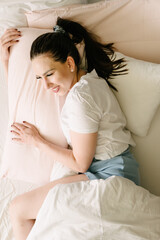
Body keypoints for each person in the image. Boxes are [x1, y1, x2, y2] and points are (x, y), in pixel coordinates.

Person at [0, 17, 140, 240]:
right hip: (115, 170)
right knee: (31, 213)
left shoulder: (81, 99)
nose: (45, 86)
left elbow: (80, 162)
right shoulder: (88, 81)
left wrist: (37, 141)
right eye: (39, 77)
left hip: (109, 177)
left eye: (49, 74)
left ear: (70, 63)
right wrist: (7, 61)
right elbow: (28, 103)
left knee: (18, 209)